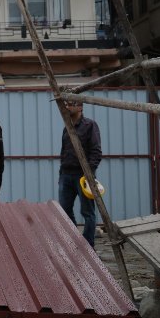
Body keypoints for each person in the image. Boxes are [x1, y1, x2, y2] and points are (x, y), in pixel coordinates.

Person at [58, 99, 102, 247]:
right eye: (66, 104)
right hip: (66, 174)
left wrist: (89, 174)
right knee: (64, 210)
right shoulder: (67, 127)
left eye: (71, 104)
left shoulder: (90, 125)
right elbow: (64, 151)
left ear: (80, 107)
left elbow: (96, 151)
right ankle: (74, 240)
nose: (67, 107)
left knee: (87, 212)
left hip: (83, 175)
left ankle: (88, 245)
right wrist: (61, 174)